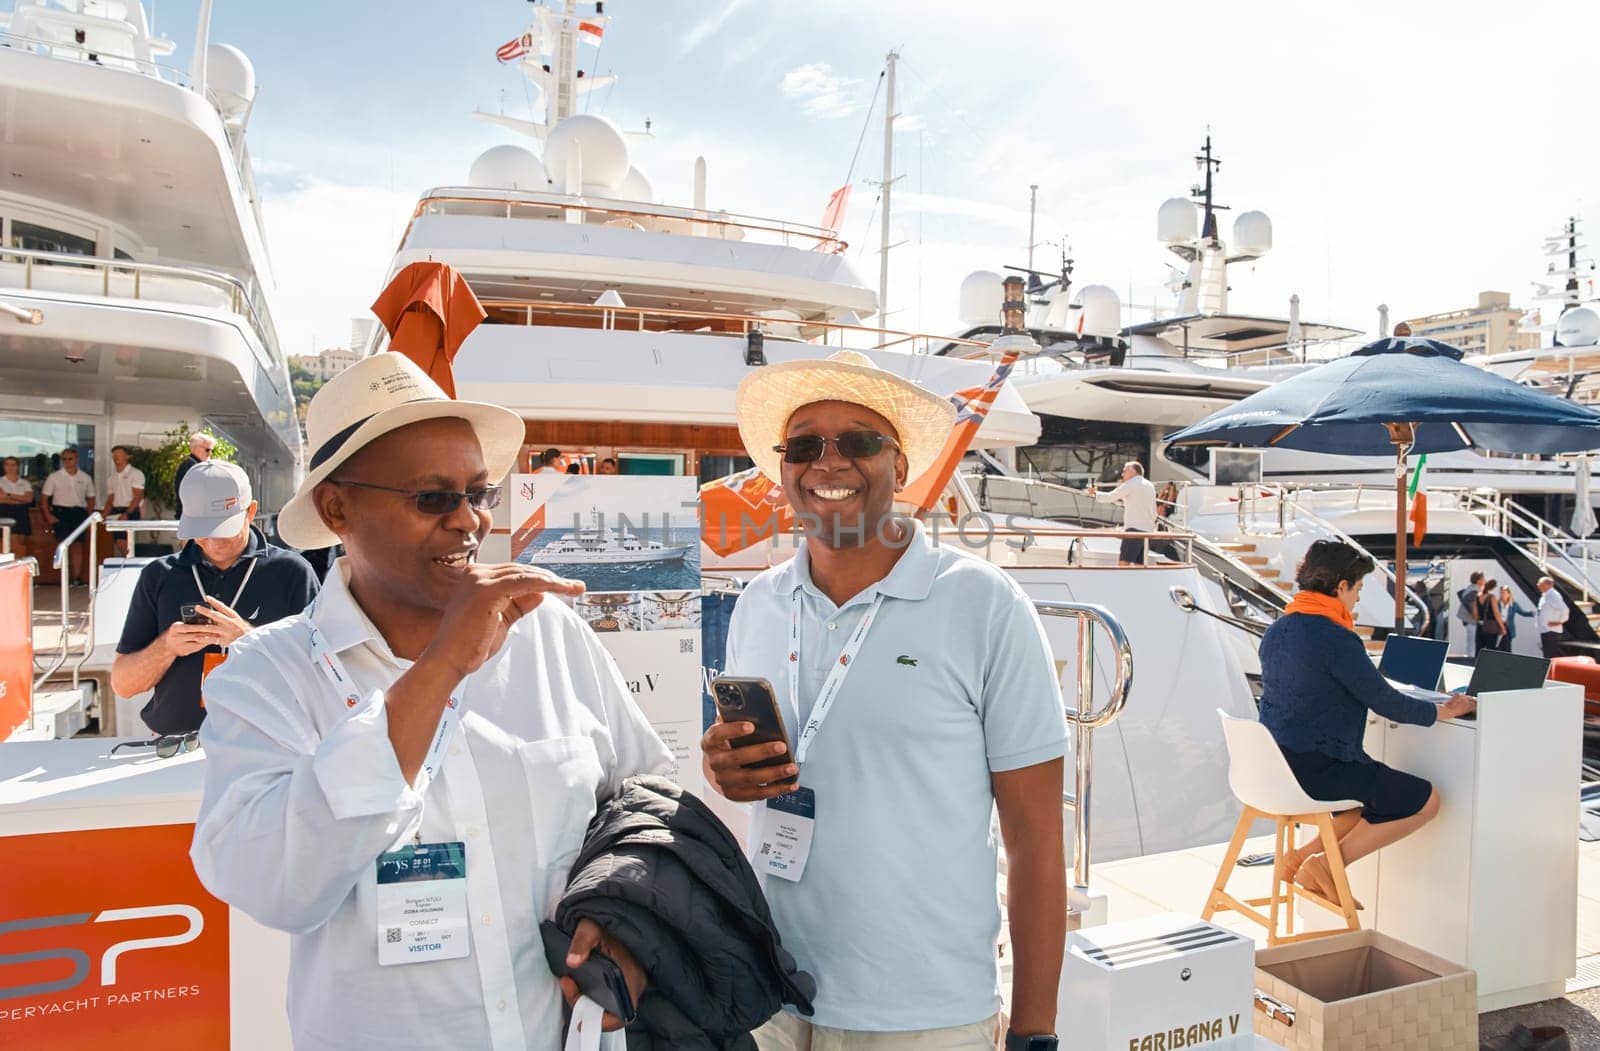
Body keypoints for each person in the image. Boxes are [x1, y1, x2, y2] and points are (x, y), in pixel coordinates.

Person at [190, 352, 673, 1049]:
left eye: (480, 492)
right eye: (433, 498)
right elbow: (274, 885)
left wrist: (631, 924)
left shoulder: (549, 635)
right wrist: (445, 663)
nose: (470, 520)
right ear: (336, 508)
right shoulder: (264, 675)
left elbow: (647, 795)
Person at [705, 350, 1067, 1051]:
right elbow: (762, 773)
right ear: (783, 469)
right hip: (771, 990)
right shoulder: (757, 602)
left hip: (922, 1014)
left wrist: (1034, 1032)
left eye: (861, 441)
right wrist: (727, 771)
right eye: (805, 444)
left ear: (900, 467)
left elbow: (1036, 842)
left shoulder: (986, 606)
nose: (829, 463)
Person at [1258, 539, 1475, 904]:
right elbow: (1387, 704)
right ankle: (1327, 865)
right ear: (1341, 586)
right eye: (1357, 588)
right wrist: (1442, 710)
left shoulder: (1278, 629)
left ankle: (1296, 859)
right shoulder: (1337, 638)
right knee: (1427, 800)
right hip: (1317, 771)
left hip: (1278, 766)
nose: (1357, 598)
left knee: (1357, 806)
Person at [111, 462, 319, 736]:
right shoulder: (158, 576)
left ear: (251, 512)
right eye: (203, 529)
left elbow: (323, 675)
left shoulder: (292, 573)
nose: (214, 541)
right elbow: (123, 685)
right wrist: (167, 647)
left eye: (224, 527)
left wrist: (249, 639)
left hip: (266, 747)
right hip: (174, 746)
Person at [41, 446, 96, 585]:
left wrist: (89, 516)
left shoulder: (85, 477)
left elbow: (91, 498)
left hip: (78, 513)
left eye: (70, 458)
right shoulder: (54, 477)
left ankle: (76, 578)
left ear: (76, 459)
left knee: (78, 545)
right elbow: (44, 498)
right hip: (61, 512)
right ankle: (64, 578)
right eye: (64, 459)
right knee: (62, 545)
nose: (67, 461)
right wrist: (48, 515)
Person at [1089, 461, 1158, 566]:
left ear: (1133, 471)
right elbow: (1153, 509)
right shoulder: (1150, 485)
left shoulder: (1131, 483)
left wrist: (1095, 494)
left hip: (1134, 531)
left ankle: (1121, 582)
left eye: (1124, 471)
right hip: (1147, 531)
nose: (1122, 474)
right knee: (1140, 564)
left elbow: (1111, 497)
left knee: (1124, 563)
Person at [102, 444, 145, 557]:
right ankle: (127, 564)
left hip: (130, 510)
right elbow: (110, 499)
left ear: (127, 456)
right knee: (118, 541)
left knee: (124, 541)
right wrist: (103, 515)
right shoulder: (112, 478)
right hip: (116, 511)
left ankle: (130, 565)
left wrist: (127, 513)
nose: (116, 457)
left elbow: (138, 496)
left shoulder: (136, 473)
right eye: (114, 455)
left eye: (119, 455)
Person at [173, 431, 215, 517]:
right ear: (194, 448)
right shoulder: (192, 467)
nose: (210, 453)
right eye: (207, 449)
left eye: (211, 450)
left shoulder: (193, 465)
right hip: (191, 517)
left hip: (190, 516)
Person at [0, 456, 33, 556]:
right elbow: (1, 499)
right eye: (7, 465)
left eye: (13, 465)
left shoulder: (25, 482)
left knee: (20, 543)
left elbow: (28, 499)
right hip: (5, 511)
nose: (10, 467)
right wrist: (20, 498)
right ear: (4, 467)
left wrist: (9, 495)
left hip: (21, 512)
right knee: (9, 543)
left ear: (18, 467)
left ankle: (19, 566)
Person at [1537, 576, 1569, 659]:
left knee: (1550, 655)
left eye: (1540, 584)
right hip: (1545, 630)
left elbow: (1565, 609)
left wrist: (1559, 622)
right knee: (1547, 654)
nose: (1538, 585)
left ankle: (1551, 671)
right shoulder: (1545, 595)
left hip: (1551, 631)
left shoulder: (1553, 596)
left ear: (1548, 585)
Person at [1498, 586, 1534, 653]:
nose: (1503, 595)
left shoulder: (1514, 605)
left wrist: (1533, 613)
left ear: (1509, 594)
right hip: (1498, 627)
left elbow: (1523, 613)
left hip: (1508, 628)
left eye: (1504, 593)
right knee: (1500, 647)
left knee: (1506, 646)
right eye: (1501, 593)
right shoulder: (1497, 604)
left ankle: (1508, 659)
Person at [1455, 571, 1483, 655]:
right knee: (1472, 644)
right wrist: (1475, 614)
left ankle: (1469, 658)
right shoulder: (1475, 590)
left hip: (1468, 621)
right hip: (1471, 621)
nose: (1484, 581)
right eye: (1483, 579)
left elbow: (1460, 594)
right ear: (1478, 581)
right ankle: (1471, 661)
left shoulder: (1470, 587)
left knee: (1470, 643)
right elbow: (1467, 600)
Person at [1475, 576, 1505, 655]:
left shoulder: (1478, 596)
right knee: (1490, 651)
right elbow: (1496, 613)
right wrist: (1502, 627)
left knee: (1479, 650)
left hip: (1480, 626)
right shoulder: (1492, 597)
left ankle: (1477, 666)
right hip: (1491, 627)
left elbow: (1475, 613)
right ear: (1493, 587)